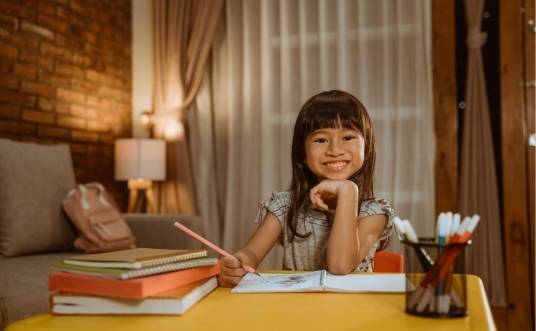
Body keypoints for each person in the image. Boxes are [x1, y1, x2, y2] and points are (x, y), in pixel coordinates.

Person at [218, 90, 395, 287]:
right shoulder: (285, 205)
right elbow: (251, 253)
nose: (335, 150)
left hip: (351, 313)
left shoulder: (374, 213)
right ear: (302, 152)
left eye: (347, 137)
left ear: (366, 146)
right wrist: (238, 263)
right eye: (321, 140)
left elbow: (339, 266)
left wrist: (348, 191)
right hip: (296, 311)